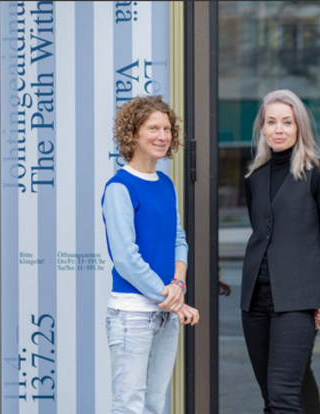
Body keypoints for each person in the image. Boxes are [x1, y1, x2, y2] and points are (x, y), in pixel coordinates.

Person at [241, 90, 320, 413]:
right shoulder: (254, 177)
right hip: (254, 300)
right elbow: (262, 231)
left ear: (300, 126)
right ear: (262, 128)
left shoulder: (319, 172)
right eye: (271, 122)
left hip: (298, 298)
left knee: (283, 397)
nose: (279, 129)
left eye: (287, 122)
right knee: (271, 398)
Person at [102, 95, 199, 414]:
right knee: (129, 407)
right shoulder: (119, 187)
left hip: (165, 314)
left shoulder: (166, 184)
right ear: (132, 134)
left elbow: (178, 238)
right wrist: (172, 298)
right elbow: (126, 259)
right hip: (132, 316)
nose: (162, 136)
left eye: (167, 129)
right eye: (153, 128)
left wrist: (179, 285)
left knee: (153, 406)